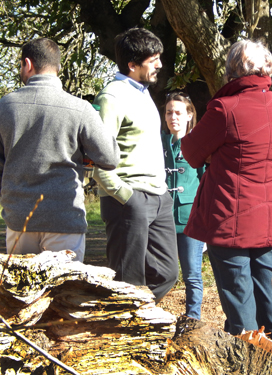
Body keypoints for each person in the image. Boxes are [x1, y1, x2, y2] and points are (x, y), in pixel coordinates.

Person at [181, 40, 272, 375]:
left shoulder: (224, 108)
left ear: (232, 70)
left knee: (240, 306)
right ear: (267, 70)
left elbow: (191, 152)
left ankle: (249, 370)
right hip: (270, 218)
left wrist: (218, 153)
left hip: (230, 220)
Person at [0, 38, 119, 262]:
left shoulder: (4, 106)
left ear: (27, 64)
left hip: (19, 217)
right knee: (65, 292)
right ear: (57, 67)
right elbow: (110, 157)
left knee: (23, 293)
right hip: (64, 216)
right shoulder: (80, 108)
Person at [93, 28, 178, 303]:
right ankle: (121, 333)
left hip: (158, 197)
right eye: (153, 60)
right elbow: (99, 157)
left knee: (167, 274)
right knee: (127, 281)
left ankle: (135, 316)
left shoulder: (143, 94)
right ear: (132, 65)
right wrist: (126, 197)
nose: (160, 65)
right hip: (128, 199)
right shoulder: (112, 97)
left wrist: (161, 194)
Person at [162, 92, 205, 319]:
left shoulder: (198, 143)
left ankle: (192, 320)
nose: (173, 117)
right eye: (169, 112)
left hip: (190, 221)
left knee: (192, 275)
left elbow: (207, 181)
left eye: (178, 112)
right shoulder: (158, 142)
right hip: (161, 219)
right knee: (159, 272)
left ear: (189, 115)